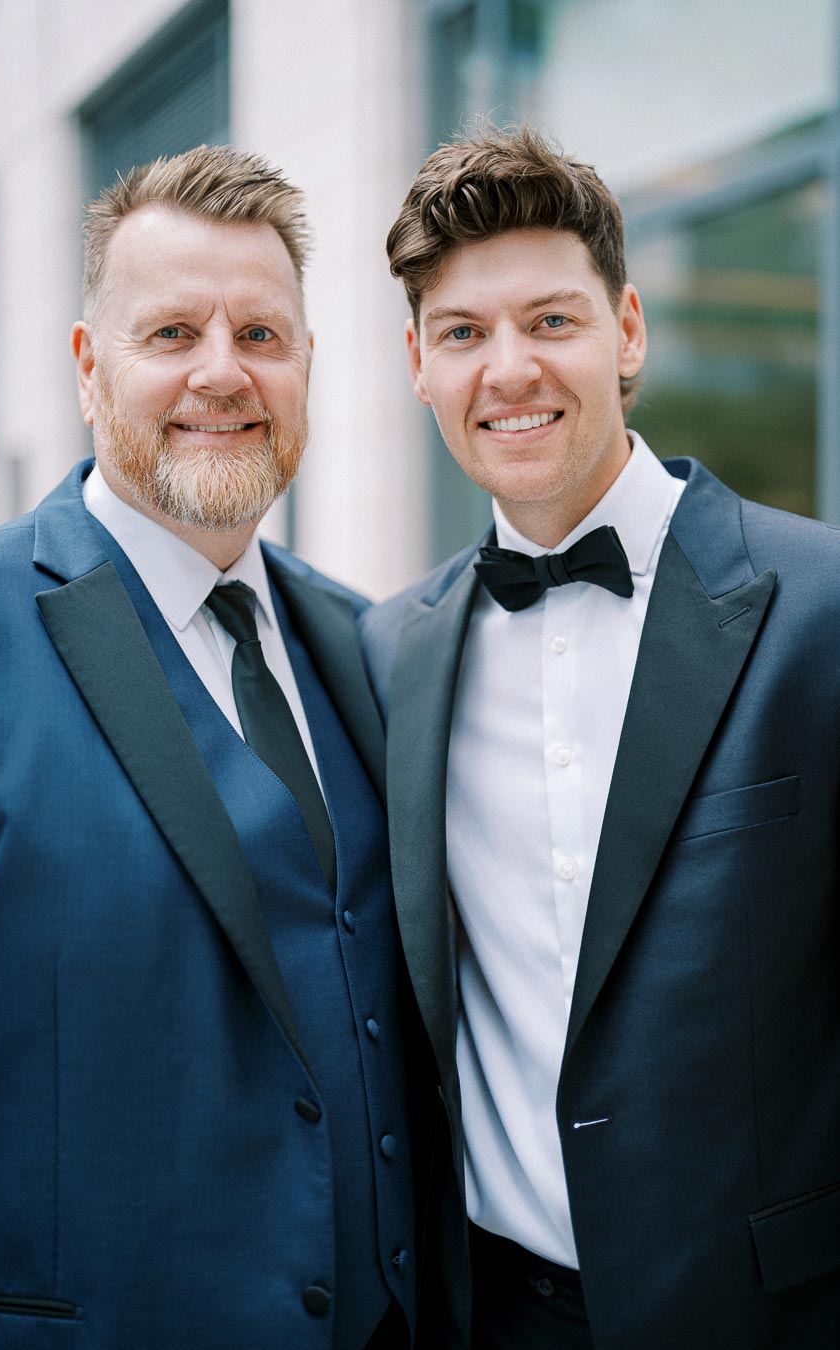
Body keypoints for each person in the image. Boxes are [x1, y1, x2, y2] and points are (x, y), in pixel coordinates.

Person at [359, 124, 840, 1349]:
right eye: (463, 333)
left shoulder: (820, 606)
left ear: (627, 330)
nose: (507, 368)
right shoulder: (389, 653)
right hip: (494, 1316)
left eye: (551, 320)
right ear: (418, 364)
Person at [0, 145, 418, 1350]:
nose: (224, 372)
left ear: (308, 365)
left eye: (263, 334)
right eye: (172, 335)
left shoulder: (365, 642)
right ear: (89, 366)